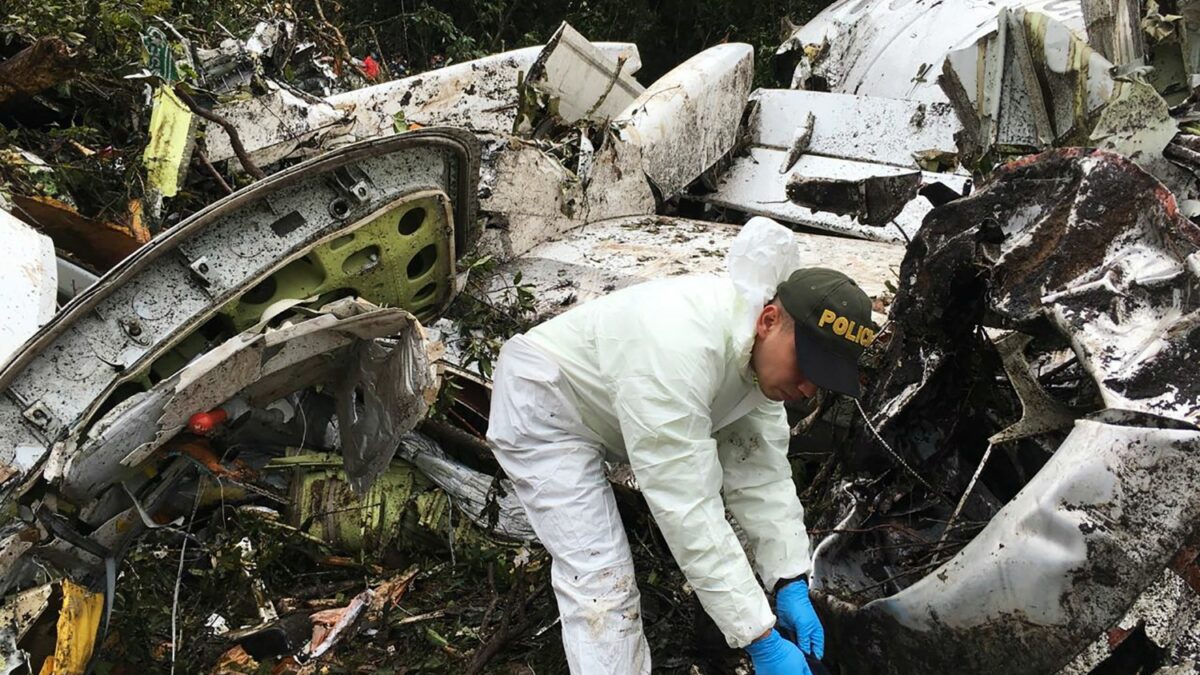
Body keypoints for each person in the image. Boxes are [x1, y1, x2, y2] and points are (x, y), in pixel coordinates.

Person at [486, 217, 877, 673]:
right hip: (545, 405)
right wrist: (759, 638)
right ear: (769, 320)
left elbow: (762, 476)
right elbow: (688, 505)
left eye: (823, 379)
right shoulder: (678, 350)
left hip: (605, 410)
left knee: (610, 571)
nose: (808, 389)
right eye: (806, 366)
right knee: (601, 581)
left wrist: (789, 578)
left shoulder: (754, 360)